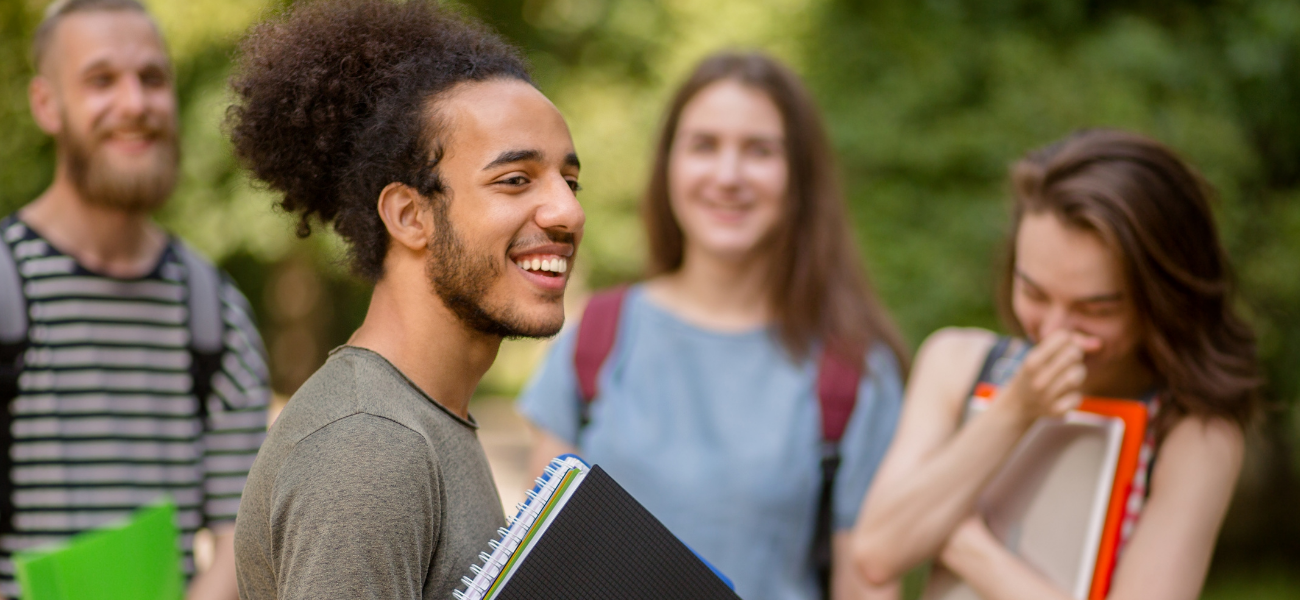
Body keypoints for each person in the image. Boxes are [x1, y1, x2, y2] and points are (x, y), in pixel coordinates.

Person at [225, 0, 584, 597]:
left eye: (570, 182)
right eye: (515, 179)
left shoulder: (426, 421)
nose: (568, 211)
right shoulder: (368, 446)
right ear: (409, 215)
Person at [518, 52, 907, 600]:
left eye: (760, 151)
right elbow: (547, 570)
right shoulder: (595, 337)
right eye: (704, 145)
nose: (728, 177)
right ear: (668, 165)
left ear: (800, 175)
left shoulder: (852, 373)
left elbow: (866, 586)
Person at [851, 129, 1261, 600]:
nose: (1055, 331)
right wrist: (1015, 411)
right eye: (1034, 293)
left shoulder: (1193, 433)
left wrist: (961, 539)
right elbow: (877, 552)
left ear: (1163, 300)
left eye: (1096, 310)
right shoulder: (956, 362)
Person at [0, 1, 270, 599]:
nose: (134, 104)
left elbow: (240, 543)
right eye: (101, 80)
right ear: (47, 104)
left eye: (152, 78)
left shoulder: (216, 312)